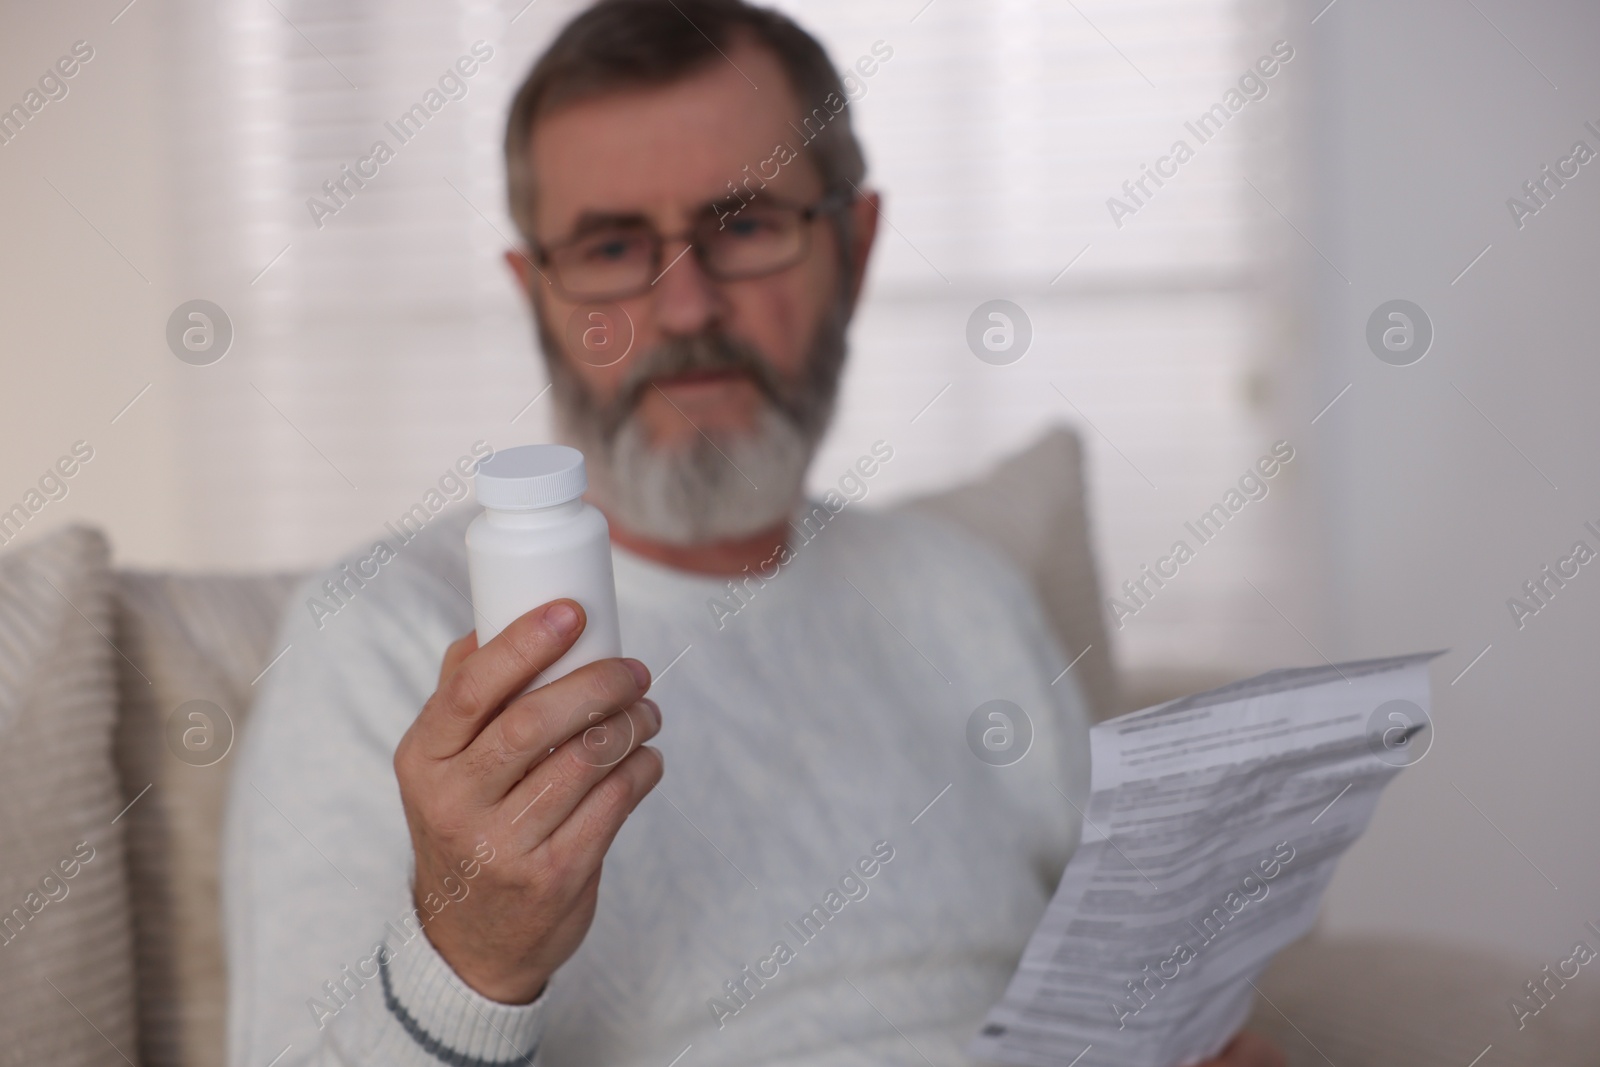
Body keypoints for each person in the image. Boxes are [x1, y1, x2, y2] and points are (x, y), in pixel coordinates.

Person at [222, 2, 1285, 1064]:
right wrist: (471, 953)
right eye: (608, 244)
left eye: (743, 225)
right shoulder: (382, 639)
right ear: (534, 295)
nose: (683, 308)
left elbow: (1127, 985)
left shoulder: (966, 590)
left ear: (856, 250)